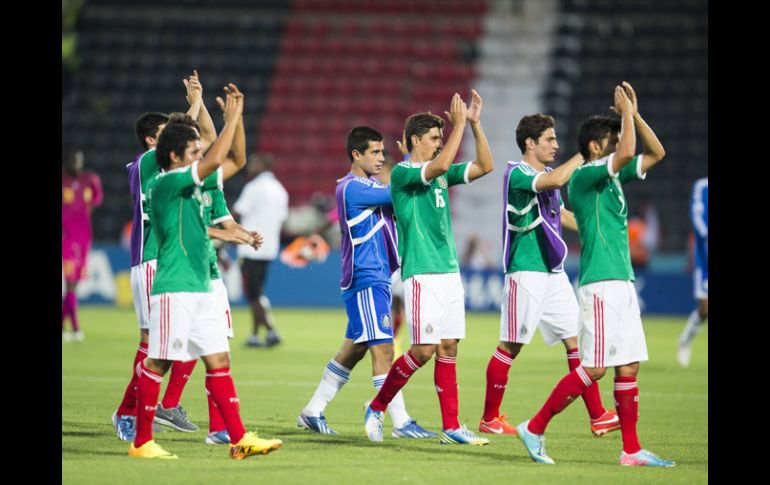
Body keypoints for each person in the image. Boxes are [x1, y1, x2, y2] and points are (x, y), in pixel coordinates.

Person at [514, 82, 674, 467]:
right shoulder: (586, 177)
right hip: (600, 284)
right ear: (596, 147)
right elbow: (630, 151)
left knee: (629, 364)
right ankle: (534, 427)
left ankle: (631, 451)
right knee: (595, 367)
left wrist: (633, 116)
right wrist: (625, 117)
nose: (619, 144)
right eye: (613, 140)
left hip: (622, 281)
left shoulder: (612, 180)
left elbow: (657, 153)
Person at [131, 83, 282, 459]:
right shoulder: (167, 183)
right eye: (194, 151)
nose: (201, 154)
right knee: (159, 360)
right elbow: (216, 160)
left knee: (218, 359)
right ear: (174, 156)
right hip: (174, 285)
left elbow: (234, 160)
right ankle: (142, 441)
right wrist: (228, 120)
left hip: (201, 284)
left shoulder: (193, 183)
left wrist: (238, 121)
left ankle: (237, 438)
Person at [113, 71, 245, 442]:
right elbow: (201, 147)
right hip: (152, 260)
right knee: (154, 346)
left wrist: (198, 102)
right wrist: (205, 110)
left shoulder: (173, 171)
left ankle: (212, 427)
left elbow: (202, 144)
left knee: (181, 343)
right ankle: (130, 416)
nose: (194, 145)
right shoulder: (148, 166)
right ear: (154, 141)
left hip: (170, 262)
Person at [363, 90, 494, 445]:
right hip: (421, 272)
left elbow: (485, 166)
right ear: (416, 140)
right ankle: (376, 407)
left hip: (449, 271)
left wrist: (476, 126)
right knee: (423, 350)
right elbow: (436, 166)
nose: (439, 143)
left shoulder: (439, 174)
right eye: (434, 138)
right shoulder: (404, 173)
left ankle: (451, 426)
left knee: (449, 346)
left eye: (442, 137)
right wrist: (459, 126)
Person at [479, 114, 618, 438]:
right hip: (526, 272)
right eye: (550, 140)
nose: (556, 145)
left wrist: (594, 228)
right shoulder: (517, 174)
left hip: (553, 274)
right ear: (530, 143)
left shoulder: (544, 175)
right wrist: (586, 152)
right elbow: (556, 181)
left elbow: (562, 214)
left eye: (556, 140)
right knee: (511, 345)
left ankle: (597, 415)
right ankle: (489, 417)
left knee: (578, 343)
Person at [297, 127, 435, 439]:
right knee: (384, 351)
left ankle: (312, 410)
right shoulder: (352, 187)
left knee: (354, 350)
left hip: (377, 278)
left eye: (382, 152)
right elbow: (398, 193)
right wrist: (417, 162)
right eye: (374, 152)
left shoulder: (368, 185)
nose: (380, 157)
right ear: (356, 154)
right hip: (366, 277)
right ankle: (400, 422)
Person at [233, 153, 289, 348]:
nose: (251, 165)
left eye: (255, 162)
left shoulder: (253, 187)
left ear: (263, 165)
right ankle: (255, 335)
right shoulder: (280, 189)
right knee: (257, 293)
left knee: (253, 294)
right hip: (269, 247)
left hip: (251, 247)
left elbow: (237, 212)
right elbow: (282, 219)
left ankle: (272, 331)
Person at [62, 149, 103, 342]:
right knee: (70, 283)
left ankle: (65, 327)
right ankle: (76, 328)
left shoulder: (91, 180)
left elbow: (97, 199)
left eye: (79, 161)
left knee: (74, 285)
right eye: (73, 160)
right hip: (66, 238)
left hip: (84, 237)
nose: (76, 164)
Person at [677, 177, 708, 367]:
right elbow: (696, 216)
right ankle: (685, 341)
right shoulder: (702, 186)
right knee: (705, 309)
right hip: (705, 258)